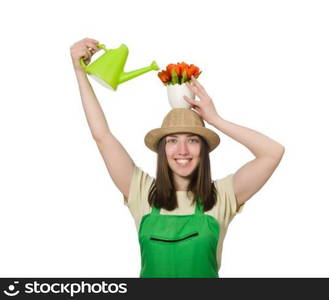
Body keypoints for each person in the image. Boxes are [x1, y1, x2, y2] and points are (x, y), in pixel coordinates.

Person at [71, 38, 285, 277]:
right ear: (162, 150)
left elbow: (272, 153)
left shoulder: (223, 196)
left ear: (203, 149)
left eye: (192, 140)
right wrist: (79, 71)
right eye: (172, 141)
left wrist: (216, 120)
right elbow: (102, 136)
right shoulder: (141, 193)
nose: (182, 150)